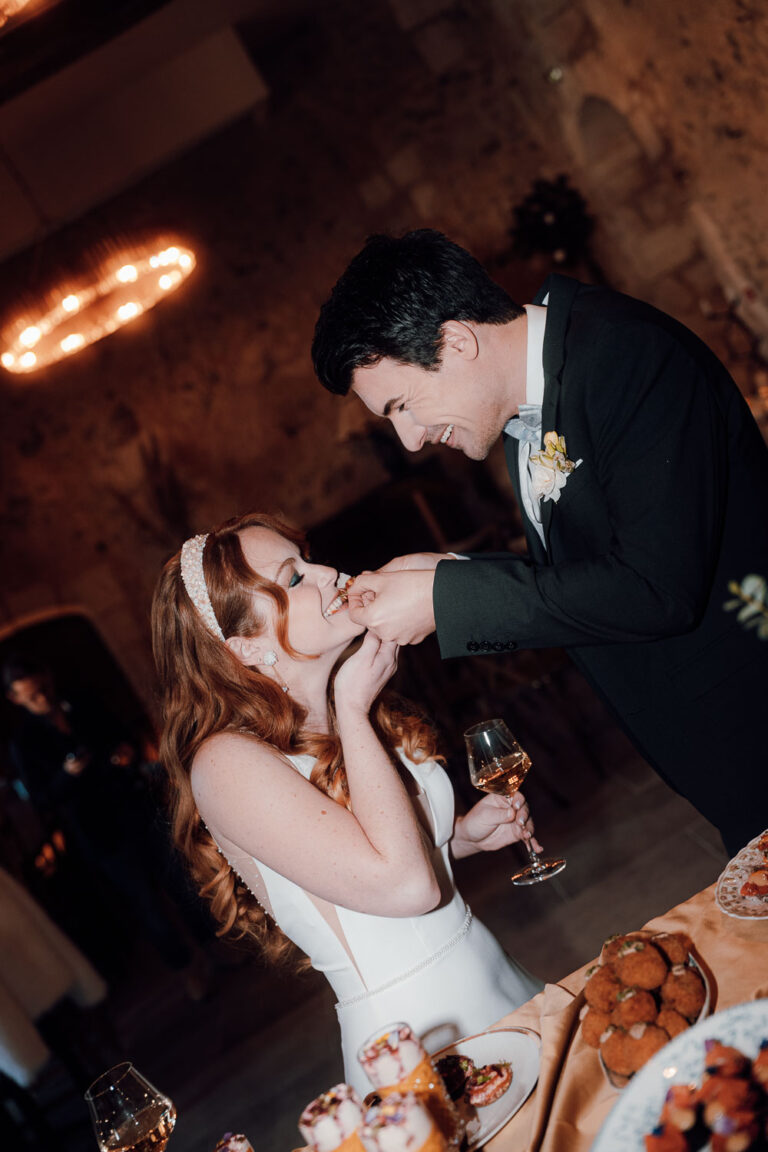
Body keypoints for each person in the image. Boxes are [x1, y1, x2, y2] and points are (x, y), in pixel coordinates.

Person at [311, 229, 768, 858]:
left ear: (457, 341)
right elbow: (594, 565)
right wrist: (452, 570)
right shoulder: (524, 403)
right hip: (725, 753)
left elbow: (657, 589)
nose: (410, 441)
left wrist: (450, 601)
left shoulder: (624, 358)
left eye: (403, 405)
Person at [150, 512, 542, 1093]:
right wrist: (354, 708)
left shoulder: (336, 713)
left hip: (492, 972)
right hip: (416, 1043)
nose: (328, 572)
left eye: (308, 560)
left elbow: (370, 860)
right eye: (294, 578)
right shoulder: (225, 764)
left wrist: (457, 837)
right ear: (246, 648)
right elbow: (405, 889)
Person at [3, 657, 207, 989]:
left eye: (43, 689)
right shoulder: (25, 743)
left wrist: (127, 754)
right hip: (100, 832)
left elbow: (124, 736)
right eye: (31, 696)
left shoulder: (83, 703)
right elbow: (41, 799)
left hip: (137, 807)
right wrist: (67, 777)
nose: (42, 698)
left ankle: (213, 950)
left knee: (181, 880)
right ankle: (187, 970)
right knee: (147, 905)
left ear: (49, 677)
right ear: (16, 699)